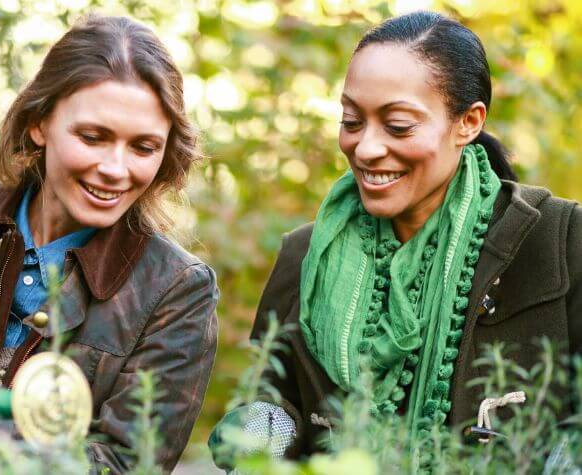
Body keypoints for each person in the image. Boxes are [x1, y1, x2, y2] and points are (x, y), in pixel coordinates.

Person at [210, 10, 581, 464]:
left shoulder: (561, 240)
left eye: (398, 126)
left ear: (469, 121)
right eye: (351, 121)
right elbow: (276, 399)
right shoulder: (306, 255)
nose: (366, 148)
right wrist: (259, 432)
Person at [0, 15, 219, 473]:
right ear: (40, 123)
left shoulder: (176, 292)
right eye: (93, 137)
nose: (116, 169)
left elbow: (123, 463)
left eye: (143, 148)